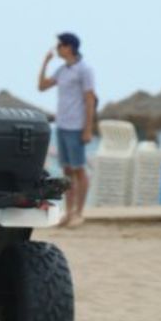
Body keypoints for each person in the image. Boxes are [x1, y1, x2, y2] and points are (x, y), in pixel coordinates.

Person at [38, 32, 96, 227]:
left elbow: (90, 99)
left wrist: (88, 128)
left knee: (79, 169)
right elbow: (41, 87)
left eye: (60, 45)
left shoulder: (84, 70)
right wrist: (45, 63)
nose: (57, 48)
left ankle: (79, 212)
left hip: (76, 126)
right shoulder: (62, 70)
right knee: (67, 170)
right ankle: (68, 212)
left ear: (69, 47)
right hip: (61, 125)